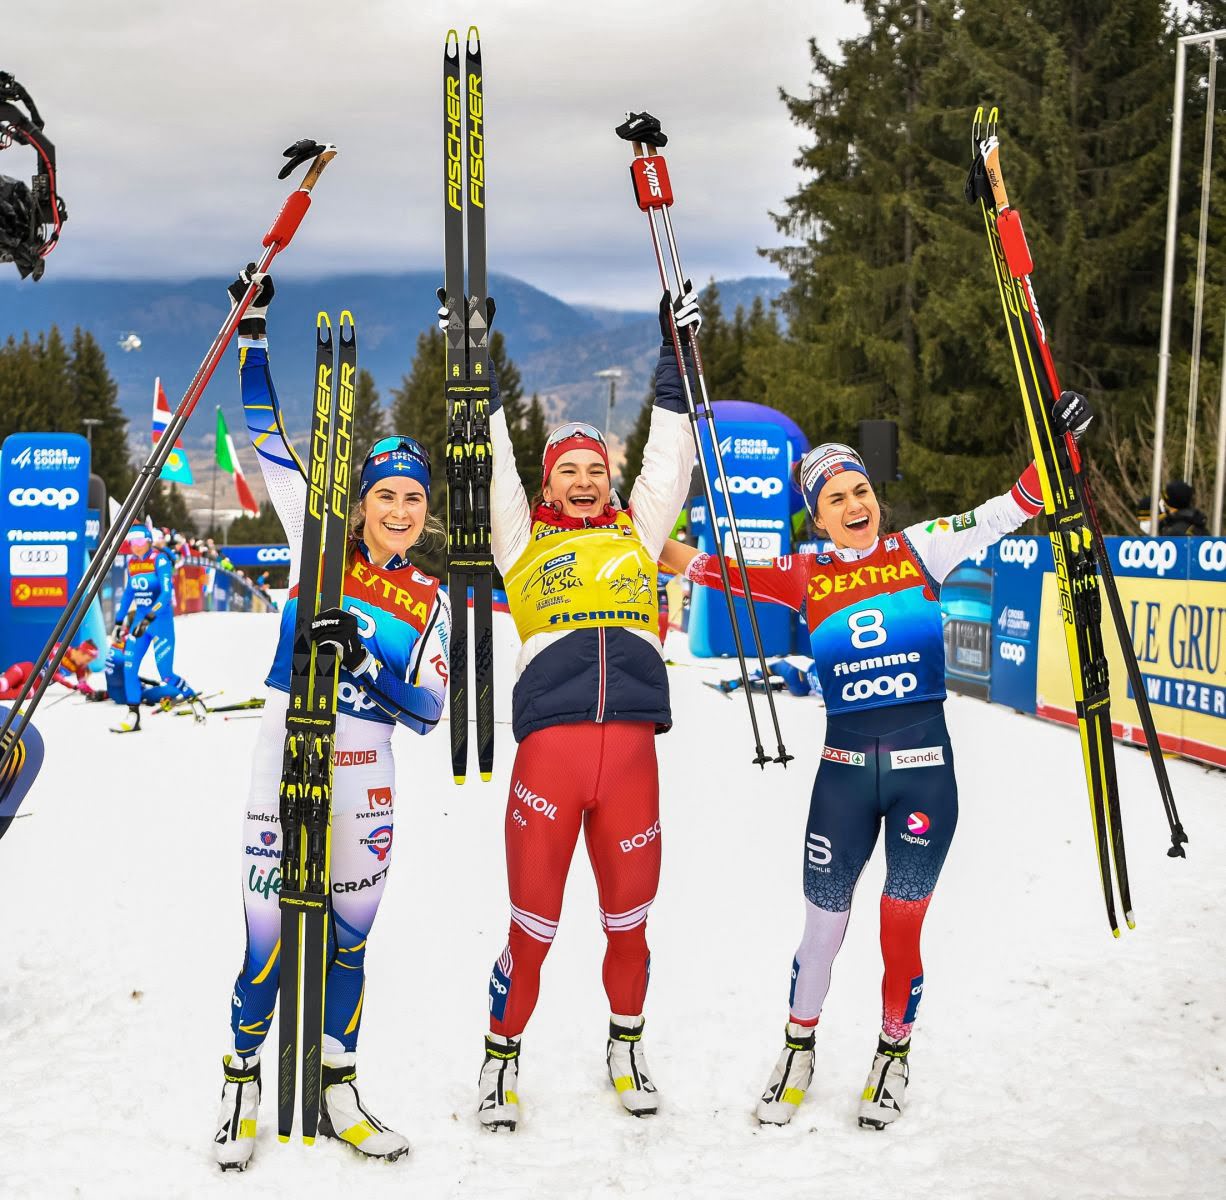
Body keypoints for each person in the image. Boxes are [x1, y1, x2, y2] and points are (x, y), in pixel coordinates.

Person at [659, 390, 1094, 1131]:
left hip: (925, 774)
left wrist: (1062, 446)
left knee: (900, 926)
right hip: (844, 779)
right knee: (821, 931)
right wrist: (627, 523)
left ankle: (893, 1055)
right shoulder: (801, 571)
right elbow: (703, 566)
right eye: (835, 498)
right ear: (817, 516)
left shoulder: (921, 548)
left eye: (860, 490)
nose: (854, 504)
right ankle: (798, 1050)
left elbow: (1012, 507)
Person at [212, 268, 450, 1171]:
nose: (399, 509)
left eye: (413, 498)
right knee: (267, 941)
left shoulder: (430, 597)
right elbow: (269, 436)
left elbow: (429, 711)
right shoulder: (316, 540)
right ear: (361, 502)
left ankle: (339, 1089)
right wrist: (253, 337)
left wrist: (366, 663)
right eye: (386, 494)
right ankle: (241, 1086)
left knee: (350, 941)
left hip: (367, 772)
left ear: (425, 514)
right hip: (285, 754)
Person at [472, 288, 700, 1131]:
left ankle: (626, 1046)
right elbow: (493, 457)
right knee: (531, 930)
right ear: (549, 482)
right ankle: (500, 1061)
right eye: (568, 469)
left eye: (595, 469)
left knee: (629, 926)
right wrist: (475, 358)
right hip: (550, 764)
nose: (583, 480)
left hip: (632, 764)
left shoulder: (637, 533)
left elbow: (669, 458)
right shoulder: (521, 540)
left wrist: (677, 354)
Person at [107, 523, 194, 732]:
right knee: (129, 667)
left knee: (166, 674)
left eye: (139, 541)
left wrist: (149, 617)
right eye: (131, 542)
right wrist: (118, 621)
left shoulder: (160, 560)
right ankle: (133, 715)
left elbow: (166, 594)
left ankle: (192, 698)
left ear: (148, 542)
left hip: (160, 622)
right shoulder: (132, 563)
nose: (135, 546)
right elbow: (129, 593)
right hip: (140, 621)